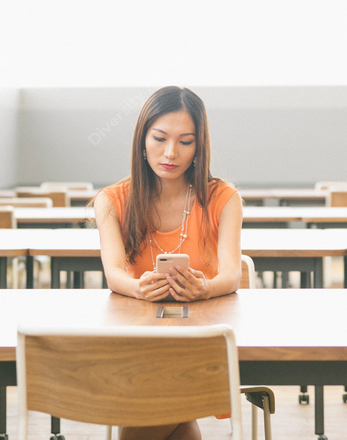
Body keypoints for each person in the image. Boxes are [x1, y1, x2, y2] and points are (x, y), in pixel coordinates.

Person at [94, 85, 243, 440]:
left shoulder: (224, 198)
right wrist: (138, 288)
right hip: (138, 345)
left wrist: (205, 288)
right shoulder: (112, 201)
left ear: (200, 145)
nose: (171, 153)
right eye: (159, 138)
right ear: (142, 140)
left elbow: (233, 274)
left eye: (186, 141)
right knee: (172, 411)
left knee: (159, 404)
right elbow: (114, 274)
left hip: (203, 345)